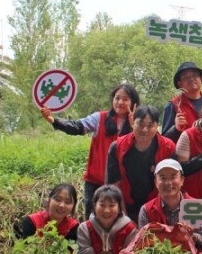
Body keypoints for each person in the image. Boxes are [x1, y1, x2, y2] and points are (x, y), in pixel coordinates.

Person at [41, 84, 140, 219]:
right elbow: (77, 127)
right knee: (91, 221)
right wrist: (53, 120)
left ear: (133, 102)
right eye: (117, 98)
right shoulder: (99, 118)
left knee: (120, 221)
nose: (120, 102)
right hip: (95, 182)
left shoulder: (140, 124)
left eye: (125, 99)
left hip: (123, 185)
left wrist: (136, 128)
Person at [106, 105, 177, 223]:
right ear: (132, 121)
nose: (145, 130)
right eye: (141, 124)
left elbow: (171, 183)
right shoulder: (117, 147)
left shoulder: (168, 147)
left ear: (157, 126)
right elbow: (114, 186)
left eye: (150, 126)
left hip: (157, 208)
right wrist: (124, 218)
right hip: (127, 206)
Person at [137, 159, 202, 248]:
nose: (168, 183)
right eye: (163, 178)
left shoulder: (197, 207)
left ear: (182, 180)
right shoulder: (146, 210)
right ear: (156, 182)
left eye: (173, 177)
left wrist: (192, 236)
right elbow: (143, 243)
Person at [76, 185, 138, 254]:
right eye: (102, 205)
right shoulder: (84, 228)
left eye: (112, 205)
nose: (106, 211)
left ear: (119, 207)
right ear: (94, 206)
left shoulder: (130, 229)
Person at [162, 62, 202, 142]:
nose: (191, 79)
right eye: (185, 77)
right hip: (183, 153)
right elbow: (164, 141)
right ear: (179, 84)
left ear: (201, 79)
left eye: (195, 75)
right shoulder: (173, 105)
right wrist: (175, 128)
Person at [14, 183, 80, 241]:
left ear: (73, 206)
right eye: (58, 200)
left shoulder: (74, 227)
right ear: (49, 200)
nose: (62, 205)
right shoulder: (31, 222)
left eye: (68, 202)